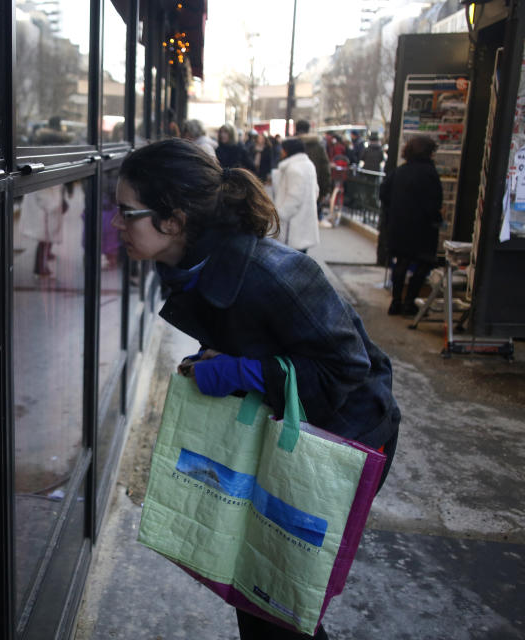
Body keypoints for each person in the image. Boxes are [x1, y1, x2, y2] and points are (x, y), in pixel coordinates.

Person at [112, 138, 400, 640]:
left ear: (173, 219)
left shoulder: (277, 273)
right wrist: (222, 362)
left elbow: (347, 369)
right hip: (288, 425)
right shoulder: (190, 266)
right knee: (256, 588)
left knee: (280, 598)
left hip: (343, 436)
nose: (116, 225)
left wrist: (241, 373)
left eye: (126, 212)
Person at [380, 135, 443, 316]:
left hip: (400, 225)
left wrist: (394, 210)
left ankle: (396, 301)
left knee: (401, 263)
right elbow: (434, 202)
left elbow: (383, 192)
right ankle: (409, 303)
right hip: (422, 228)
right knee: (423, 264)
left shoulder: (400, 171)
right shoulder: (430, 173)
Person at [272, 137, 320, 253]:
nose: (281, 152)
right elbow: (316, 190)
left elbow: (294, 199)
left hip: (292, 229)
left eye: (283, 149)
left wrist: (280, 215)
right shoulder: (308, 165)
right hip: (303, 224)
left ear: (288, 151)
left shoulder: (294, 169)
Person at [294, 120, 331, 223]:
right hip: (314, 188)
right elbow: (325, 169)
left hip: (294, 188)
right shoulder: (318, 146)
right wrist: (325, 190)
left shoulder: (291, 145)